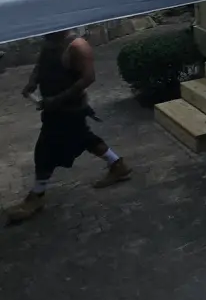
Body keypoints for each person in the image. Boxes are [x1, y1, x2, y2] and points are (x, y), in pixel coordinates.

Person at [8, 30, 131, 225]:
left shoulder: (77, 46)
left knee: (45, 150)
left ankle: (37, 195)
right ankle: (117, 165)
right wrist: (32, 82)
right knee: (84, 138)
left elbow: (88, 77)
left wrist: (57, 100)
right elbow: (41, 64)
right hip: (53, 110)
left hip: (70, 109)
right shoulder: (49, 40)